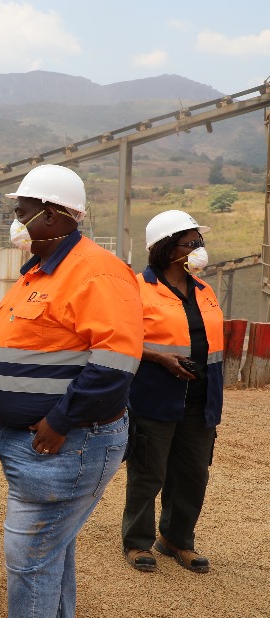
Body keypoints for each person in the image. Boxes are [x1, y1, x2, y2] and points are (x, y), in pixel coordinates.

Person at [0, 164, 143, 618]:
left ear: (50, 215)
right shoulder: (43, 273)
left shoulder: (96, 273)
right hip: (35, 440)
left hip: (64, 444)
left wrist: (61, 420)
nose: (15, 218)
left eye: (21, 210)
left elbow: (115, 363)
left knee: (30, 562)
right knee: (49, 555)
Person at [121, 210, 222, 574]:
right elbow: (121, 340)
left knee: (193, 474)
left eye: (200, 242)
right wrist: (161, 358)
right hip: (155, 395)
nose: (199, 249)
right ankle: (137, 542)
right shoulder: (137, 287)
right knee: (148, 472)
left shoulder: (204, 290)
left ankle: (177, 540)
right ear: (167, 248)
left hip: (201, 398)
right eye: (190, 243)